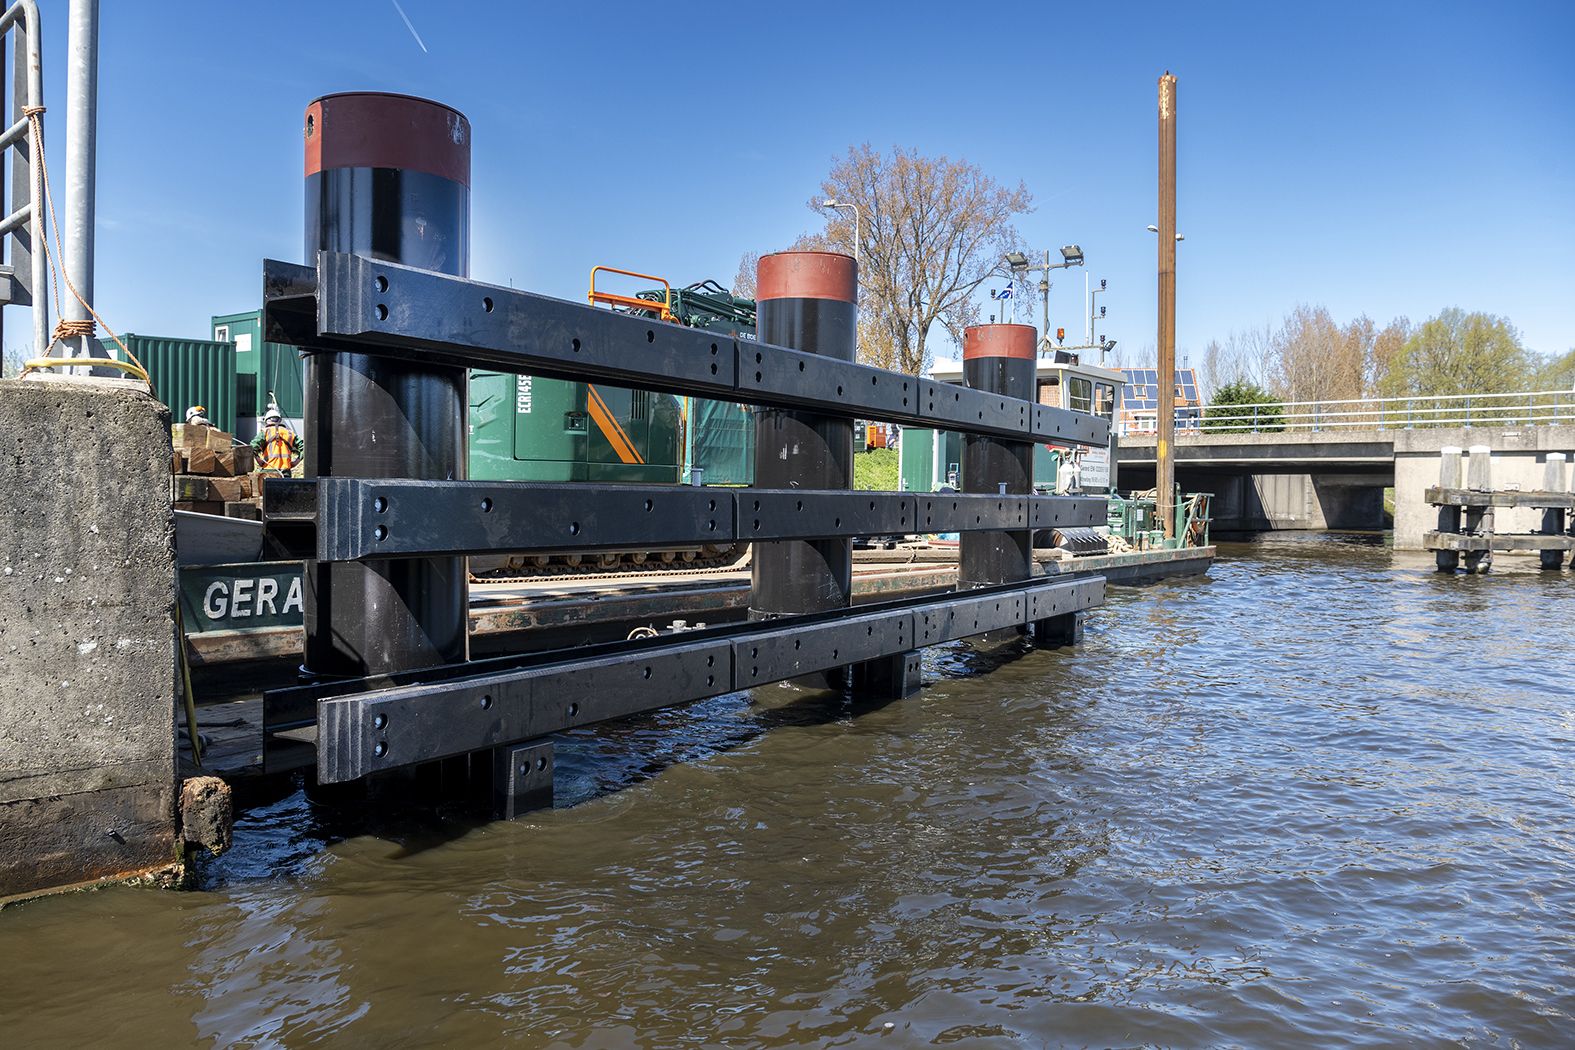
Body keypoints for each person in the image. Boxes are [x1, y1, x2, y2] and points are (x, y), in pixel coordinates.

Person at [251, 407, 304, 471]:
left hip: (268, 471)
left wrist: (258, 460)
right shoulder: (289, 433)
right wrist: (296, 462)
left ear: (266, 421)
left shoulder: (265, 433)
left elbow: (252, 447)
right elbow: (305, 447)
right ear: (279, 420)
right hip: (285, 471)